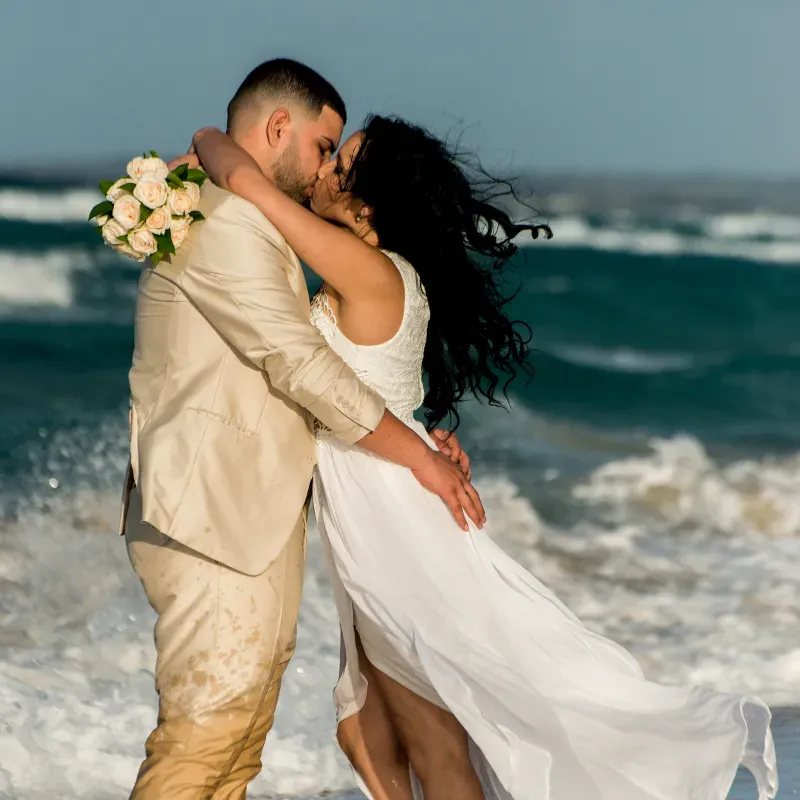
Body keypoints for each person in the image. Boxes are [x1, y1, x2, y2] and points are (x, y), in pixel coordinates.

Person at [182, 115, 779, 800]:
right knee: (365, 731)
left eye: (339, 169)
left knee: (432, 743)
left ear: (367, 206)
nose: (320, 174)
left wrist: (204, 135)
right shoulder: (385, 274)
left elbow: (249, 183)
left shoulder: (369, 269)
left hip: (391, 522)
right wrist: (428, 440)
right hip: (381, 502)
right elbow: (383, 387)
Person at [120, 59, 484, 800]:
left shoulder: (263, 221)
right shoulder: (227, 221)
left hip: (269, 513)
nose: (325, 172)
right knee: (204, 739)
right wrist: (418, 451)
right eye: (325, 148)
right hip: (213, 515)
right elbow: (299, 366)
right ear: (278, 127)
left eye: (340, 161)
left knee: (239, 745)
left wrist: (417, 440)